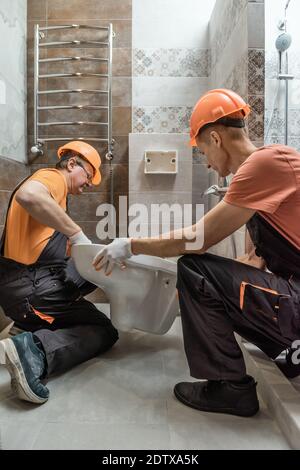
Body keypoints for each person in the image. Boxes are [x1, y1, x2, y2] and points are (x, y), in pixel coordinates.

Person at [92, 89, 300, 417]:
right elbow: (255, 259)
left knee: (194, 268)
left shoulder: (265, 163)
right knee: (205, 277)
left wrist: (130, 244)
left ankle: (231, 389)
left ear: (215, 139)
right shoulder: (261, 176)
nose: (206, 162)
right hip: (293, 299)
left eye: (202, 151)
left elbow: (196, 239)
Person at [0, 141, 118, 404]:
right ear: (72, 164)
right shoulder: (52, 178)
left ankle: (28, 327)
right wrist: (76, 234)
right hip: (31, 289)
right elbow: (28, 195)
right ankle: (34, 353)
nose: (89, 184)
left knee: (91, 266)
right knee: (103, 329)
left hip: (25, 283)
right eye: (88, 176)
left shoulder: (58, 193)